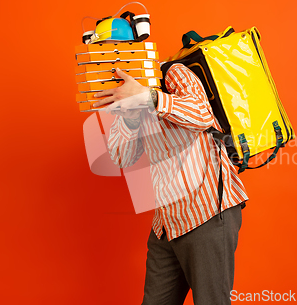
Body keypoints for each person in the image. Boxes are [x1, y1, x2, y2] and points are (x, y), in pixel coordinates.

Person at [92, 63, 248, 305]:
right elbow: (122, 157)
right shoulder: (127, 97)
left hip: (206, 213)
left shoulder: (174, 73)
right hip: (166, 225)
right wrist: (132, 114)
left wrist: (149, 97)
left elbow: (202, 115)